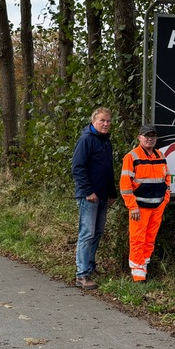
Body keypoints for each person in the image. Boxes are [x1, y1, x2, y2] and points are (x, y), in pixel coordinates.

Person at [119, 124, 171, 282]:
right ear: (139, 138)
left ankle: (144, 268)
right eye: (146, 136)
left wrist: (165, 199)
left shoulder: (160, 155)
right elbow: (125, 185)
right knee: (137, 239)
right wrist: (132, 206)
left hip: (158, 206)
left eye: (153, 136)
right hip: (139, 208)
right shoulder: (132, 157)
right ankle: (138, 275)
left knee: (150, 239)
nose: (150, 139)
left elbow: (167, 178)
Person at [71, 107, 116, 289]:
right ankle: (81, 275)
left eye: (108, 121)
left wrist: (112, 192)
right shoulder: (86, 140)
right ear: (93, 121)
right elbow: (77, 168)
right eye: (102, 120)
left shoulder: (106, 141)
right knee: (87, 233)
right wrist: (88, 191)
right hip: (89, 197)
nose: (105, 124)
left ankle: (89, 267)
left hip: (103, 195)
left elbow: (108, 169)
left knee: (97, 233)